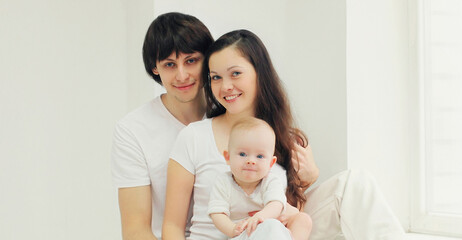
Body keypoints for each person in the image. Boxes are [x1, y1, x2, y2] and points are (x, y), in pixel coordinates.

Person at [163, 29, 405, 240]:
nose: (225, 86)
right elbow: (173, 226)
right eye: (216, 77)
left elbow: (288, 212)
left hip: (275, 232)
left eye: (235, 74)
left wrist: (308, 178)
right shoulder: (194, 137)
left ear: (259, 73)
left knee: (355, 184)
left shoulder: (282, 134)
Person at [111, 12, 214, 240]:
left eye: (191, 61)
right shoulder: (132, 130)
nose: (182, 75)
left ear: (207, 59)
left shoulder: (229, 113)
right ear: (155, 68)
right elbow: (136, 231)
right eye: (169, 64)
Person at [208, 117, 312, 240]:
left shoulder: (270, 181)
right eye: (242, 154)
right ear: (228, 157)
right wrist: (232, 229)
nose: (251, 161)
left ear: (271, 163)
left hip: (270, 228)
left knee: (304, 220)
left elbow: (276, 204)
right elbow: (217, 213)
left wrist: (261, 216)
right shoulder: (223, 181)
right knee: (272, 226)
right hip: (242, 234)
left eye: (260, 156)